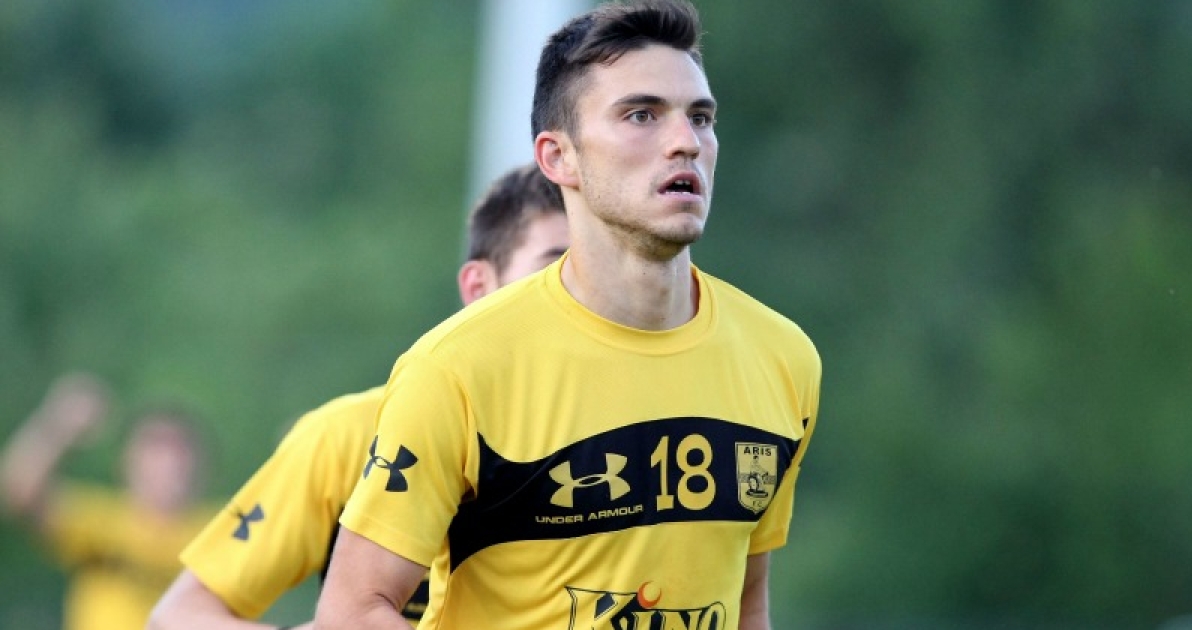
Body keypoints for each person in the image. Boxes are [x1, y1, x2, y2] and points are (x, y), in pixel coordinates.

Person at [313, 1, 822, 629]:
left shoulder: (783, 357)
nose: (686, 142)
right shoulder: (457, 368)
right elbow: (352, 611)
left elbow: (746, 601)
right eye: (641, 115)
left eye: (700, 118)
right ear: (558, 157)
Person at [145, 162, 569, 630]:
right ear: (479, 286)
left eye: (590, 275)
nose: (575, 295)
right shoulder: (347, 436)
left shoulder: (623, 427)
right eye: (553, 269)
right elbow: (176, 617)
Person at [0, 373, 212, 630]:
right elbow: (19, 491)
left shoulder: (218, 532)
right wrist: (57, 427)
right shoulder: (102, 522)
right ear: (125, 460)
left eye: (178, 448)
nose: (167, 462)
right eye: (154, 447)